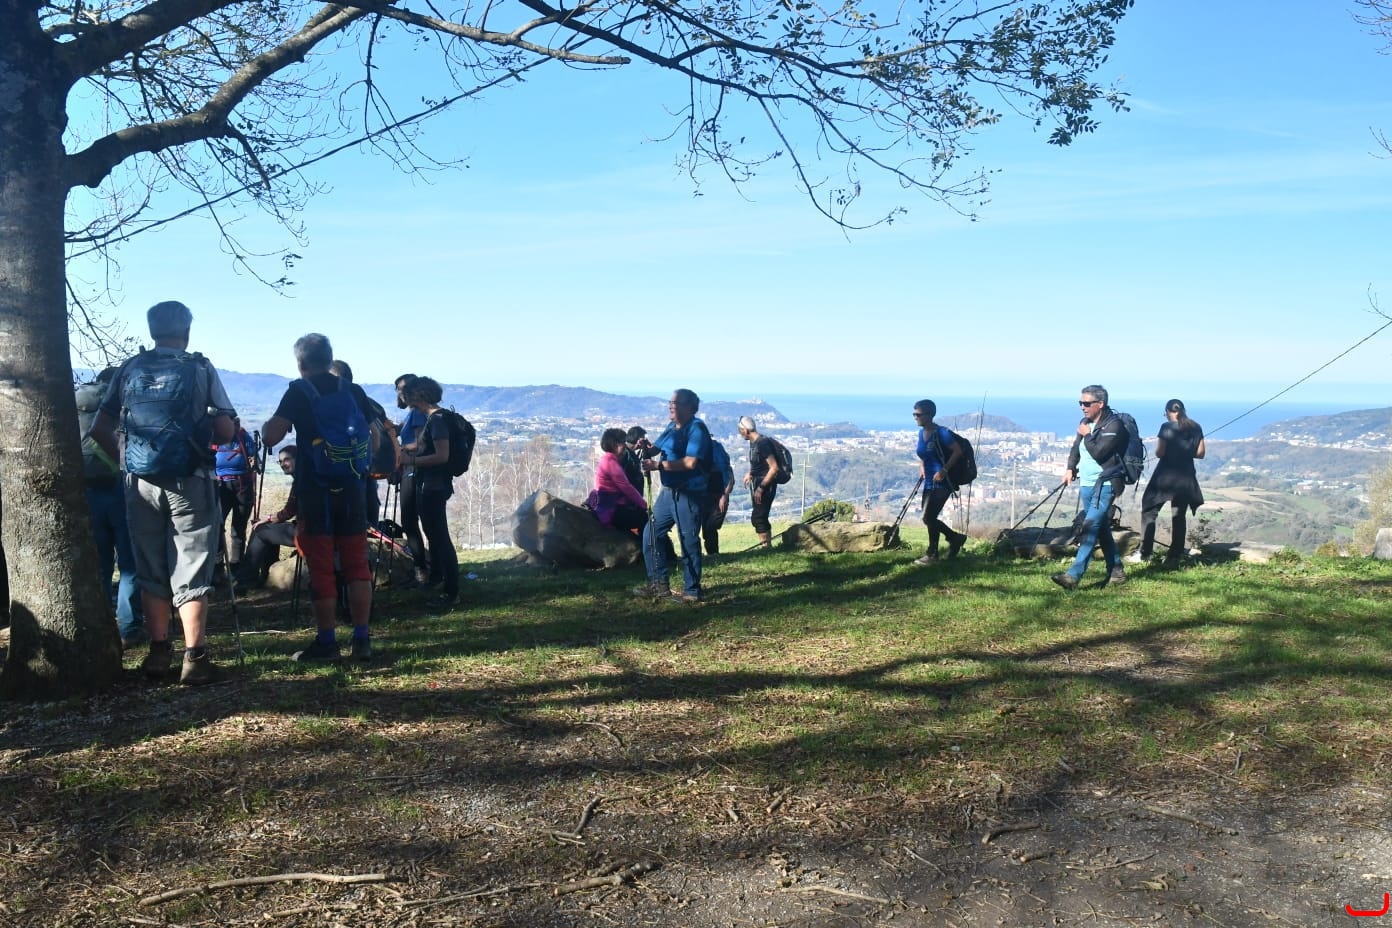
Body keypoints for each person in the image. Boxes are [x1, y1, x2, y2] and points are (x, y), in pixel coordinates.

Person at [90, 300, 236, 685]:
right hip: (190, 480)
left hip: (139, 483)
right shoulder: (200, 368)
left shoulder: (130, 368)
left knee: (149, 566)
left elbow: (99, 429)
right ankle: (194, 657)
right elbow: (225, 431)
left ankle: (157, 654)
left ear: (152, 330)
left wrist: (127, 464)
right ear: (186, 331)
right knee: (192, 563)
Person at [262, 334, 379, 661]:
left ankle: (327, 643)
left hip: (315, 493)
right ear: (329, 359)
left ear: (301, 363)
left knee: (321, 567)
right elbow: (376, 439)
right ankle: (362, 639)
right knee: (357, 563)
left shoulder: (299, 391)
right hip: (353, 490)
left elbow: (271, 436)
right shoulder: (353, 390)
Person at [76, 368, 145, 649]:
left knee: (101, 563)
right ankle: (129, 629)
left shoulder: (78, 399)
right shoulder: (121, 400)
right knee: (129, 564)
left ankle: (101, 626)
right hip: (120, 486)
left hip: (87, 488)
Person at [634, 388, 710, 603]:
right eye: (670, 402)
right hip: (668, 493)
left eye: (676, 403)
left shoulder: (696, 429)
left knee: (688, 541)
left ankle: (692, 591)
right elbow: (655, 448)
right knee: (651, 534)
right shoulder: (671, 427)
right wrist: (646, 447)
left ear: (690, 407)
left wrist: (658, 466)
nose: (671, 406)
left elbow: (691, 462)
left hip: (689, 494)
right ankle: (658, 584)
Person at [1052, 384, 1128, 591]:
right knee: (1101, 529)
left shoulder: (1114, 426)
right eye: (1080, 403)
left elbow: (1100, 453)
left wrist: (1087, 434)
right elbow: (1076, 448)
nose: (1082, 407)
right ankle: (1117, 571)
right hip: (1086, 483)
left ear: (1100, 404)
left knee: (1090, 526)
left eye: (1086, 403)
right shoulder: (1084, 423)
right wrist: (1070, 468)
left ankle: (1073, 575)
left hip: (1105, 483)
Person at [400, 377, 460, 608]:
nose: (407, 399)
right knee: (436, 536)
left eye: (410, 395)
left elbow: (442, 456)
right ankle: (446, 586)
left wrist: (410, 461)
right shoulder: (436, 419)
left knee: (440, 538)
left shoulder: (437, 420)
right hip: (432, 485)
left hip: (434, 486)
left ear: (420, 396)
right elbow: (429, 447)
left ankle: (451, 592)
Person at [1136, 399, 1206, 567]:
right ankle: (1175, 555)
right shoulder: (1196, 427)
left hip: (1165, 477)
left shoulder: (1166, 427)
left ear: (1168, 412)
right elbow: (1200, 453)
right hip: (1186, 478)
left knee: (1149, 510)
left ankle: (1146, 552)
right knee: (1179, 516)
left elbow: (1160, 453)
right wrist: (1185, 452)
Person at [910, 399, 968, 565]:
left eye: (918, 414)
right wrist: (922, 467)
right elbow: (923, 454)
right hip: (929, 481)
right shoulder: (921, 433)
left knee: (928, 517)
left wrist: (944, 470)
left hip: (942, 482)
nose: (915, 417)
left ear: (930, 415)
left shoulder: (941, 433)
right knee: (929, 518)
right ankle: (954, 539)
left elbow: (957, 451)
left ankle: (934, 554)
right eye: (914, 414)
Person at [235, 445, 298, 589]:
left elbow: (288, 512)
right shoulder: (306, 477)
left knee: (261, 530)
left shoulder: (302, 480)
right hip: (312, 529)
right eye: (280, 462)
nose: (282, 464)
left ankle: (246, 580)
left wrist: (268, 518)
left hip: (306, 533)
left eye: (286, 460)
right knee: (269, 529)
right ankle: (268, 574)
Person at [394, 373, 431, 585]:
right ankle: (429, 568)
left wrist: (398, 450)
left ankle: (421, 569)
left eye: (402, 389)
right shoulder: (413, 413)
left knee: (410, 521)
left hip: (413, 469)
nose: (400, 393)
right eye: (398, 389)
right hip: (412, 468)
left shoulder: (416, 413)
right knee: (419, 522)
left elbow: (419, 443)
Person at [212, 417, 259, 576]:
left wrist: (255, 461)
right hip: (221, 486)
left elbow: (254, 457)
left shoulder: (243, 437)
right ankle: (217, 566)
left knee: (238, 528)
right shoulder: (215, 437)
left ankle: (235, 568)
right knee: (217, 526)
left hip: (242, 486)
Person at [590, 428, 650, 532]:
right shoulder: (611, 464)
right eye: (623, 443)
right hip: (611, 510)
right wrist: (645, 506)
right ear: (615, 445)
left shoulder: (608, 459)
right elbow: (627, 488)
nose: (625, 446)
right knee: (644, 519)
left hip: (609, 505)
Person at [737, 416, 783, 548]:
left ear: (746, 430)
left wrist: (761, 487)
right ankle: (767, 547)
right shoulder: (754, 442)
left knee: (758, 518)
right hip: (758, 483)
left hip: (765, 486)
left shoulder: (762, 444)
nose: (740, 433)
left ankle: (766, 547)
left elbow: (774, 468)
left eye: (740, 430)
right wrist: (750, 473)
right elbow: (760, 462)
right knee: (760, 517)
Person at [702, 438, 735, 556]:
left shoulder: (716, 450)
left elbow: (729, 475)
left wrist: (724, 495)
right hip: (704, 495)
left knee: (711, 526)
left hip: (718, 495)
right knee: (706, 528)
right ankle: (711, 554)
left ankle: (713, 553)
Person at [621, 426, 647, 495]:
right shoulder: (625, 455)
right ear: (639, 441)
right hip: (629, 495)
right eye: (643, 439)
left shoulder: (628, 453)